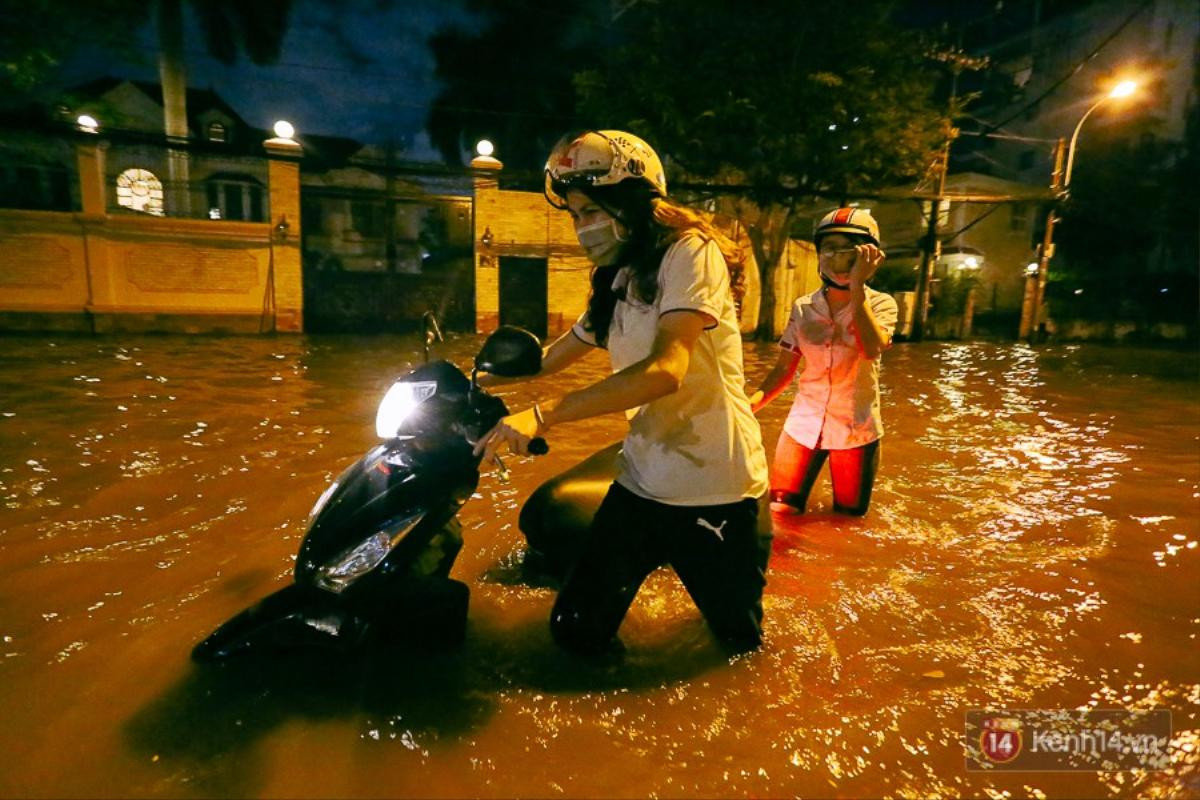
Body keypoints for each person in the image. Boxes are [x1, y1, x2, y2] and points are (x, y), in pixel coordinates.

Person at [474, 130, 771, 656]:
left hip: (714, 487)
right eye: (574, 214)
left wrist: (541, 416)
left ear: (633, 199)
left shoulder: (690, 252)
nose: (583, 226)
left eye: (591, 210)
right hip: (641, 479)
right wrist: (476, 379)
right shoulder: (616, 277)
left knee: (736, 645)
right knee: (576, 629)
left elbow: (664, 371)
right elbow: (547, 359)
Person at [749, 207, 898, 516]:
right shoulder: (803, 308)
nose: (837, 259)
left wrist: (857, 287)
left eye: (849, 251)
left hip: (856, 430)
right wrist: (746, 408)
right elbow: (782, 370)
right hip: (802, 426)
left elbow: (871, 348)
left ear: (868, 256)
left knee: (847, 522)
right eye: (829, 249)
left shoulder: (882, 304)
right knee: (779, 512)